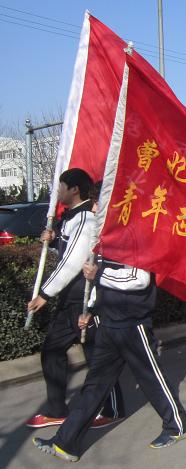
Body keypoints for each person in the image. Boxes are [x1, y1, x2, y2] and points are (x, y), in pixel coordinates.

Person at [33, 258, 186, 461]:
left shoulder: (137, 243)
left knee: (151, 378)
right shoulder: (106, 243)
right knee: (94, 385)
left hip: (133, 325)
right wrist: (90, 310)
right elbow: (99, 283)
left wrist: (99, 274)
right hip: (107, 325)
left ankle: (177, 426)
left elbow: (139, 279)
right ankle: (65, 443)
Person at [25, 168, 121, 430]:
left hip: (82, 297)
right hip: (73, 297)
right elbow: (67, 251)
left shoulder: (86, 220)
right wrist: (55, 239)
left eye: (61, 187)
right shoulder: (72, 218)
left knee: (87, 354)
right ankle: (69, 409)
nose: (58, 192)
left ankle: (104, 409)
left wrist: (45, 293)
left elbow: (72, 262)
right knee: (72, 351)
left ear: (74, 189)